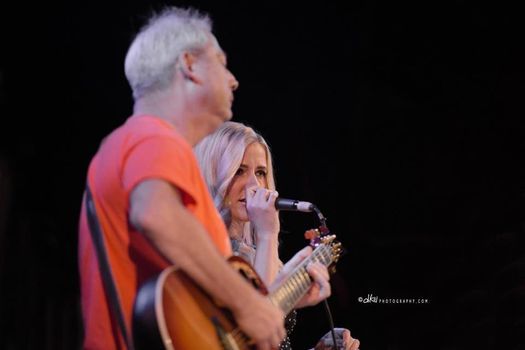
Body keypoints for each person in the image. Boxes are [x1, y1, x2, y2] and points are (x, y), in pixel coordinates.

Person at [78, 6, 331, 350]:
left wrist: (283, 293)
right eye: (222, 63)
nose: (233, 79)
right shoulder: (153, 136)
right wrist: (247, 304)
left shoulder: (131, 144)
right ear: (190, 66)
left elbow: (199, 322)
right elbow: (155, 214)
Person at [195, 121, 360, 350]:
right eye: (240, 171)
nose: (254, 184)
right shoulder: (204, 253)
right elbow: (256, 327)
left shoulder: (262, 254)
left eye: (261, 173)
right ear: (213, 174)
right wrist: (267, 232)